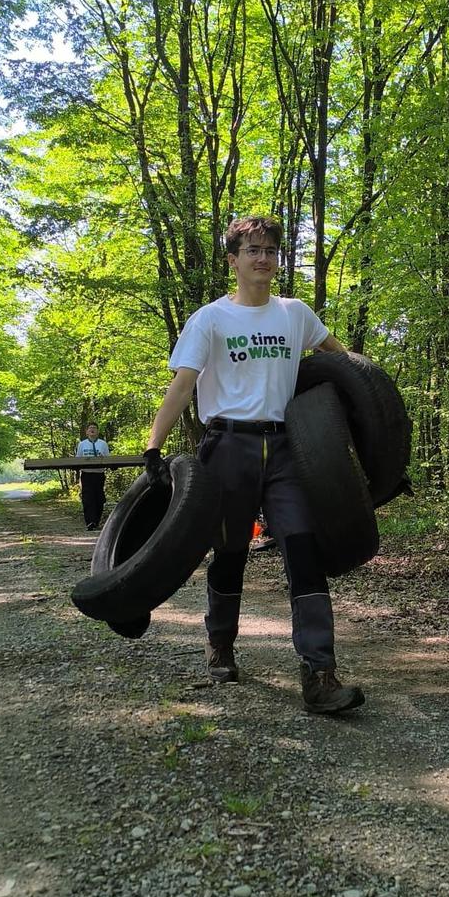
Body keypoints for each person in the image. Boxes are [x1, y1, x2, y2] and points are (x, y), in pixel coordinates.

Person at [142, 215, 365, 715]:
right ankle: (220, 644)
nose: (263, 259)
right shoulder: (210, 319)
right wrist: (154, 444)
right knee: (230, 551)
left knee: (304, 552)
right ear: (233, 260)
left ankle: (320, 674)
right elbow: (183, 384)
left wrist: (375, 401)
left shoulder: (295, 314)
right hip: (228, 447)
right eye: (252, 251)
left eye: (270, 251)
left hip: (287, 449)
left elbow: (338, 357)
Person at [75, 422, 110, 530]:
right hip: (87, 474)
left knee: (99, 498)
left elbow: (108, 459)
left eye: (94, 428)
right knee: (87, 498)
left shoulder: (103, 444)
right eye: (90, 428)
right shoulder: (82, 444)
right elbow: (78, 459)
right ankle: (90, 522)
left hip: (99, 474)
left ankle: (96, 521)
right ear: (86, 432)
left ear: (98, 431)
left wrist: (102, 458)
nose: (92, 430)